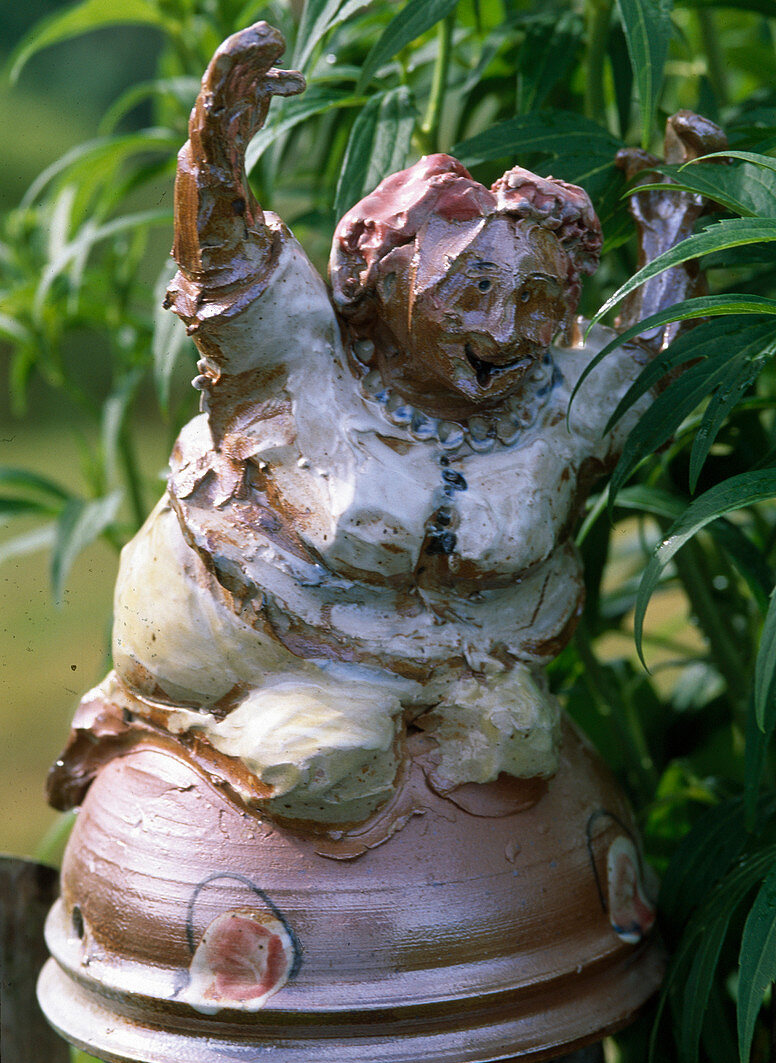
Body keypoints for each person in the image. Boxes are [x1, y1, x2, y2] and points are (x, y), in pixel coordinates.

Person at [51, 23, 726, 827]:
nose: (505, 330)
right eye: (469, 291)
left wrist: (678, 229)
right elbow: (226, 272)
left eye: (538, 299)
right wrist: (217, 151)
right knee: (326, 763)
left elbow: (655, 368)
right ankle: (172, 731)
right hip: (240, 646)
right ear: (382, 272)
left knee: (515, 744)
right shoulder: (309, 362)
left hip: (460, 668)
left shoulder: (556, 399)